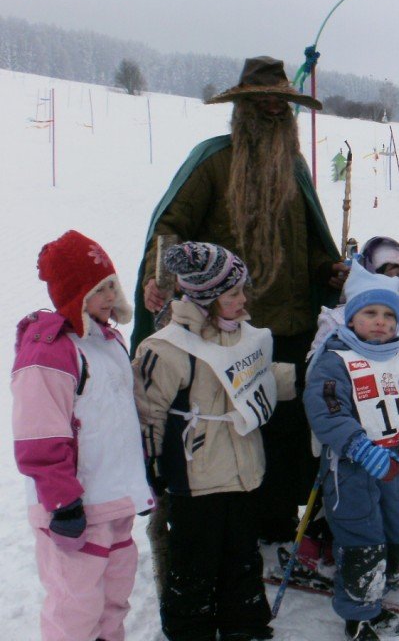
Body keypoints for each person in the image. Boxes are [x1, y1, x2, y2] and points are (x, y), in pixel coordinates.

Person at [131, 55, 344, 544]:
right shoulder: (212, 160)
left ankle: (275, 521)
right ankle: (225, 523)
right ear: (241, 108)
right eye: (260, 102)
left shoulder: (295, 168)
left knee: (285, 432)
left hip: (288, 328)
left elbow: (310, 243)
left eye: (280, 104)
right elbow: (171, 226)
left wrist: (326, 268)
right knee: (232, 430)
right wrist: (160, 277)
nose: (272, 110)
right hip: (226, 332)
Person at [133, 242, 290, 641]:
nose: (243, 300)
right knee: (194, 561)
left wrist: (308, 378)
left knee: (241, 555)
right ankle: (190, 629)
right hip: (195, 478)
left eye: (242, 291)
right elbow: (146, 413)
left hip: (243, 471)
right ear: (205, 298)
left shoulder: (242, 336)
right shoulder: (167, 348)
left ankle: (245, 624)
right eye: (233, 293)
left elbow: (261, 378)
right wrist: (148, 473)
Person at [304, 260, 399, 641]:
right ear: (351, 318)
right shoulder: (335, 360)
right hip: (353, 470)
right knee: (363, 540)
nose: (380, 322)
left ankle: (381, 590)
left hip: (394, 465)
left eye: (389, 315)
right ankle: (359, 616)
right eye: (370, 313)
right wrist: (360, 446)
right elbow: (327, 411)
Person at [13, 231, 152, 641]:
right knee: (75, 608)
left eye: (112, 285)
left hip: (112, 500)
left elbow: (119, 420)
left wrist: (137, 483)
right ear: (75, 293)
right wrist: (62, 501)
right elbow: (38, 433)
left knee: (114, 598)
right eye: (99, 289)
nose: (110, 297)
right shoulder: (49, 350)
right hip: (76, 505)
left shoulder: (108, 342)